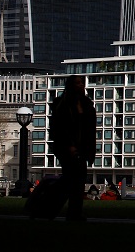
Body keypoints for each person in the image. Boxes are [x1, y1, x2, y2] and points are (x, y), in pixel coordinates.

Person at [50, 74, 97, 222]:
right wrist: (67, 145)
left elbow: (90, 129)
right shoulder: (62, 105)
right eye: (77, 83)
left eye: (82, 83)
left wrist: (89, 150)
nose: (81, 85)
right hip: (67, 148)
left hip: (81, 148)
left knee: (79, 181)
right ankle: (66, 211)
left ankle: (74, 212)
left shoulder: (86, 104)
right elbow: (59, 128)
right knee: (71, 180)